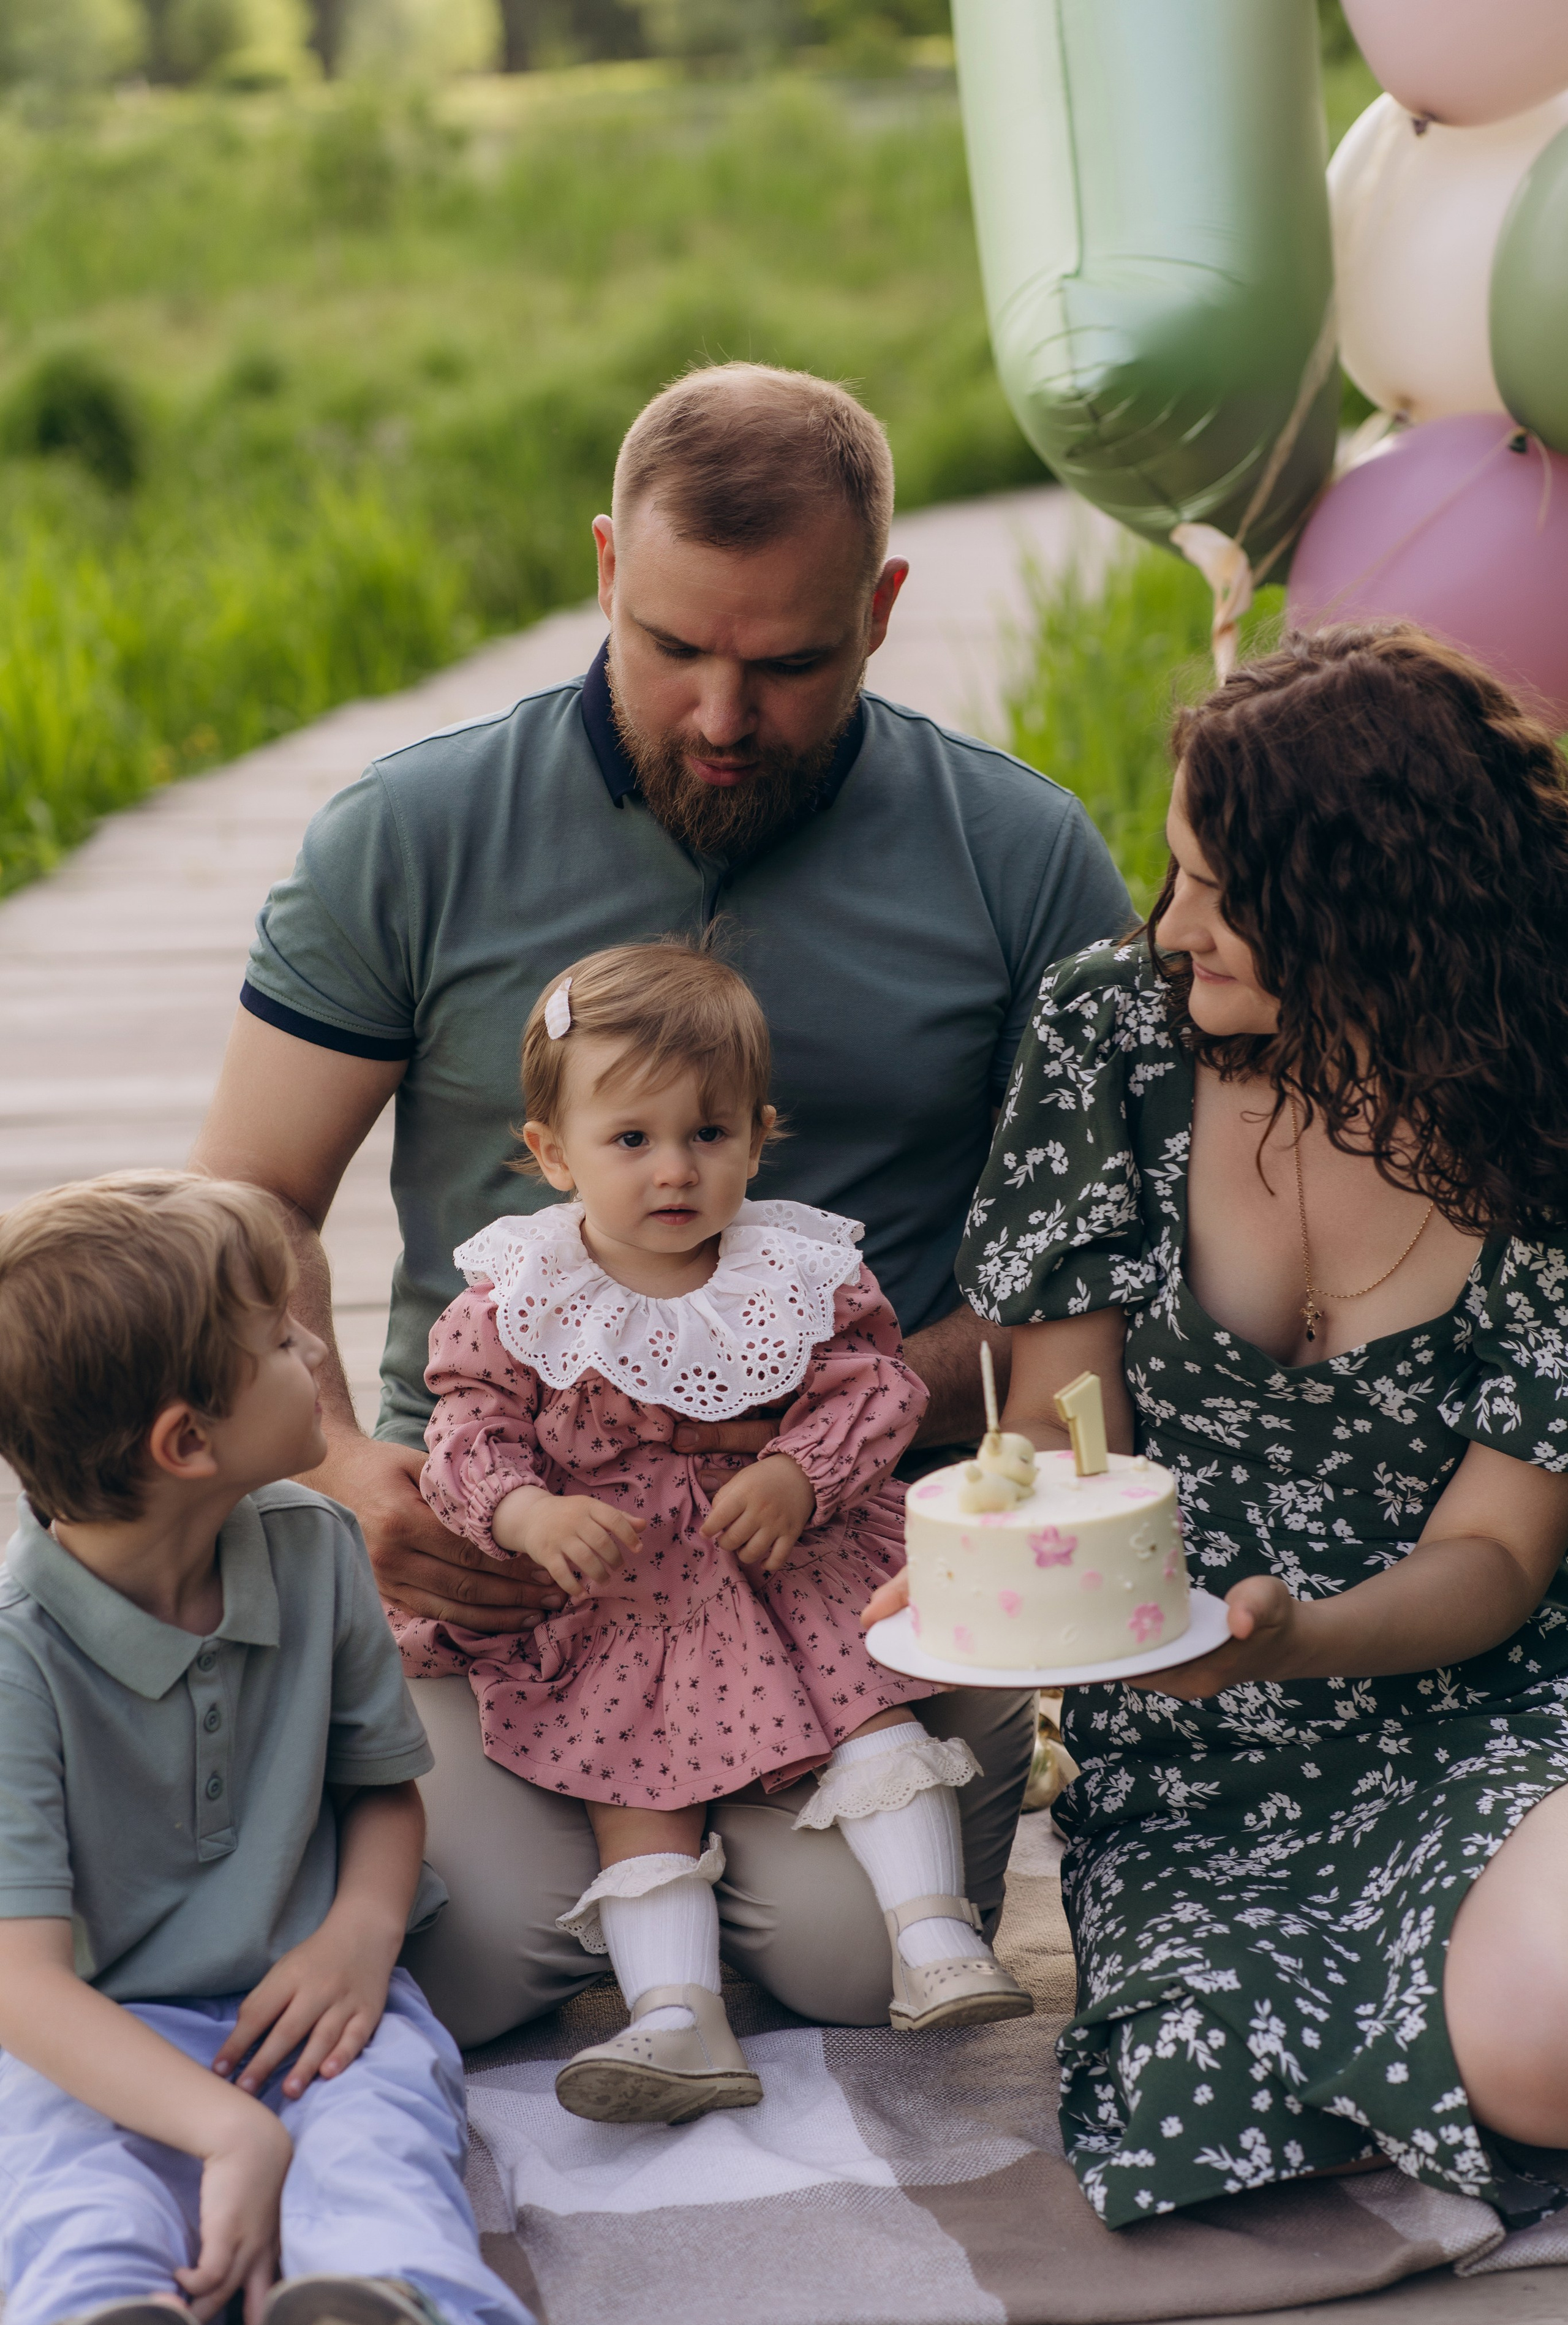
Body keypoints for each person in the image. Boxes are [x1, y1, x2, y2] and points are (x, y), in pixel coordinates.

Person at [192, 361, 1133, 2041]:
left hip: (846, 1554)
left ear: (886, 606)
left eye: (788, 663)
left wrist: (810, 1415)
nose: (720, 715)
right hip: (510, 1557)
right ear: (608, 567)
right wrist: (348, 1475)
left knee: (856, 1966)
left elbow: (1082, 1265)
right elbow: (249, 1202)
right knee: (462, 1963)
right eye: (673, 646)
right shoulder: (406, 835)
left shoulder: (1018, 858)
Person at [869, 624, 1568, 2227]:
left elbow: (1497, 1552)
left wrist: (1292, 1638)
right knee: (1198, 2088)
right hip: (1191, 1724)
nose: (1168, 926)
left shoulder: (1543, 1111)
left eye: (1213, 886)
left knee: (1538, 2047)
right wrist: (989, 1559)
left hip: (1487, 1687)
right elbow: (1053, 1415)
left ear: (1371, 906)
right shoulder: (1114, 1037)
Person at [399, 941, 1030, 2122]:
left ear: (758, 1135)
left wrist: (802, 1469)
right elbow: (468, 1431)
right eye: (631, 1139)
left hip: (784, 1559)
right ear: (552, 1154)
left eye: (711, 1134)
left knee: (867, 1705)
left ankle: (935, 1934)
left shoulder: (792, 1271)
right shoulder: (522, 1295)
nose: (675, 1170)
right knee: (635, 1792)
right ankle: (677, 2017)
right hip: (617, 1595)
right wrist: (524, 1510)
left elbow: (874, 1387)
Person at [0, 1174, 535, 2325]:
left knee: (384, 2127)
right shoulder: (13, 1658)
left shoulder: (316, 1544)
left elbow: (379, 1789)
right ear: (188, 1442)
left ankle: (392, 2313)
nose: (314, 1353)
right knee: (60, 2165)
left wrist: (360, 1934)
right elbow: (22, 1987)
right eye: (283, 1341)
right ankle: (99, 2322)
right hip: (95, 2019)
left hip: (313, 2000)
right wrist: (233, 2134)